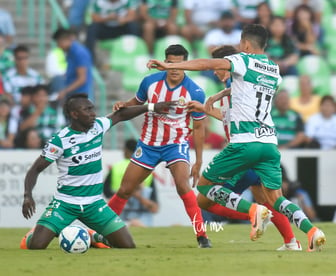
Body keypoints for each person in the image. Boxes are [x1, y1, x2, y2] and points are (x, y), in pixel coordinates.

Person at [147, 24, 326, 252]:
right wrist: (215, 98)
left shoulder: (242, 61)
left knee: (204, 190)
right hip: (269, 143)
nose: (216, 71)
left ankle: (254, 213)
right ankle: (309, 232)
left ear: (246, 45)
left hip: (244, 146)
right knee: (275, 199)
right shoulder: (274, 69)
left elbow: (207, 63)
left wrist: (170, 65)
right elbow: (236, 107)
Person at [20, 93, 174, 250]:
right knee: (36, 246)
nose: (93, 113)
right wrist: (27, 195)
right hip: (65, 203)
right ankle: (37, 232)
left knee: (127, 246)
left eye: (92, 108)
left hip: (94, 203)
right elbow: (35, 169)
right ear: (74, 114)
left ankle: (93, 236)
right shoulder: (60, 140)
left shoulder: (98, 127)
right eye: (87, 109)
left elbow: (120, 115)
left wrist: (151, 107)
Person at [187, 44, 303, 251]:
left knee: (204, 200)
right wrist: (203, 108)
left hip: (242, 154)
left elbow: (233, 120)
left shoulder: (236, 89)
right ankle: (291, 242)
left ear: (228, 65)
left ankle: (253, 214)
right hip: (260, 149)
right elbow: (229, 119)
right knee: (269, 201)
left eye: (217, 67)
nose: (215, 72)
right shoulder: (242, 86)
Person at [107, 44, 212, 248]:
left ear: (187, 65)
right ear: (164, 63)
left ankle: (202, 236)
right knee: (125, 190)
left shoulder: (195, 92)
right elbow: (135, 102)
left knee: (183, 186)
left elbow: (199, 128)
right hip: (148, 144)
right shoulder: (150, 82)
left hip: (176, 144)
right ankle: (102, 230)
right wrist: (123, 105)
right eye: (170, 63)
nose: (174, 68)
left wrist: (198, 161)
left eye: (179, 64)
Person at [104, 139, 159, 227]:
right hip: (143, 219)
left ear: (126, 150)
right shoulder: (147, 170)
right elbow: (155, 207)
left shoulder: (116, 167)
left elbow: (106, 191)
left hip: (119, 217)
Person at [52, 28, 94, 101]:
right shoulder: (70, 52)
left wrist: (64, 91)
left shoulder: (79, 53)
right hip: (73, 94)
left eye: (59, 43)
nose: (58, 46)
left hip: (81, 96)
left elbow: (82, 79)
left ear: (65, 40)